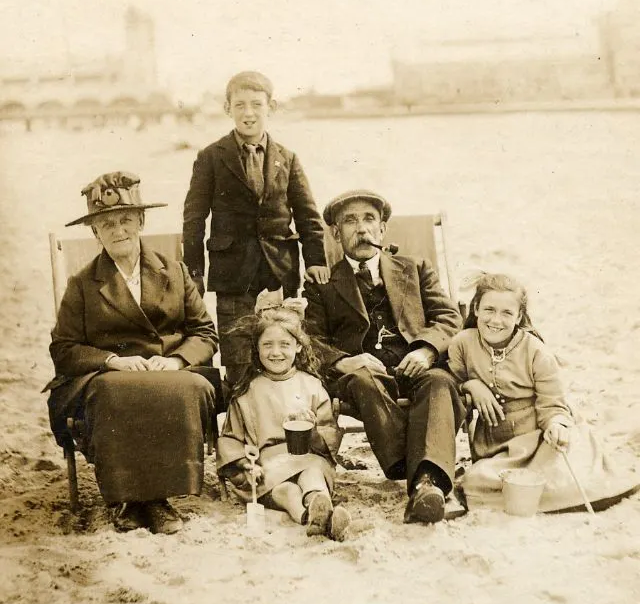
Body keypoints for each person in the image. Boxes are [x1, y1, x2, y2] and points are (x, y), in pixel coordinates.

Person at [45, 171, 220, 535]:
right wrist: (112, 361)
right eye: (107, 223)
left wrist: (175, 360)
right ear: (95, 233)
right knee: (113, 393)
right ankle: (132, 500)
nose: (118, 230)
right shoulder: (83, 283)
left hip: (168, 367)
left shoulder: (174, 271)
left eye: (126, 219)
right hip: (109, 374)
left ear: (140, 221)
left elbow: (204, 332)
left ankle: (155, 497)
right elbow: (63, 348)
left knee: (190, 388)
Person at [303, 190, 465, 525]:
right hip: (360, 375)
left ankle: (425, 485)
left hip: (415, 364)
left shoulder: (415, 268)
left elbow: (449, 317)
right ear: (335, 234)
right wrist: (342, 361)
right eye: (349, 221)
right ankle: (415, 470)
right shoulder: (324, 284)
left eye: (368, 219)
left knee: (440, 381)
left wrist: (426, 349)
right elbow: (310, 340)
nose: (360, 229)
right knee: (363, 379)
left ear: (382, 230)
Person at [182, 71, 329, 398]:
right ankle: (243, 430)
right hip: (233, 275)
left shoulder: (287, 159)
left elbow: (307, 214)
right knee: (237, 355)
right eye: (240, 105)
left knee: (284, 352)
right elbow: (194, 217)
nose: (248, 113)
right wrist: (194, 272)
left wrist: (316, 260)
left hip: (280, 271)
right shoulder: (211, 157)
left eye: (256, 105)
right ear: (227, 108)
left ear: (271, 107)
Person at [448, 272, 639, 512]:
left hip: (539, 437)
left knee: (564, 478)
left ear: (519, 316)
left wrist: (557, 425)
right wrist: (470, 385)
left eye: (507, 313)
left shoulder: (536, 351)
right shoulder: (462, 343)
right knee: (475, 481)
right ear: (475, 308)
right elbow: (450, 386)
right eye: (489, 309)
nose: (496, 320)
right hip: (496, 446)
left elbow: (553, 404)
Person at [216, 299, 350, 540]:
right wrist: (246, 465)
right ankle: (309, 516)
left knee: (312, 475)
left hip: (307, 456)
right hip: (265, 464)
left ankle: (317, 504)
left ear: (298, 347)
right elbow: (230, 438)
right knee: (286, 490)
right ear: (256, 348)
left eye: (285, 345)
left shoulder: (311, 385)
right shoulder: (248, 391)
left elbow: (329, 437)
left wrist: (313, 432)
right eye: (267, 345)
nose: (275, 352)